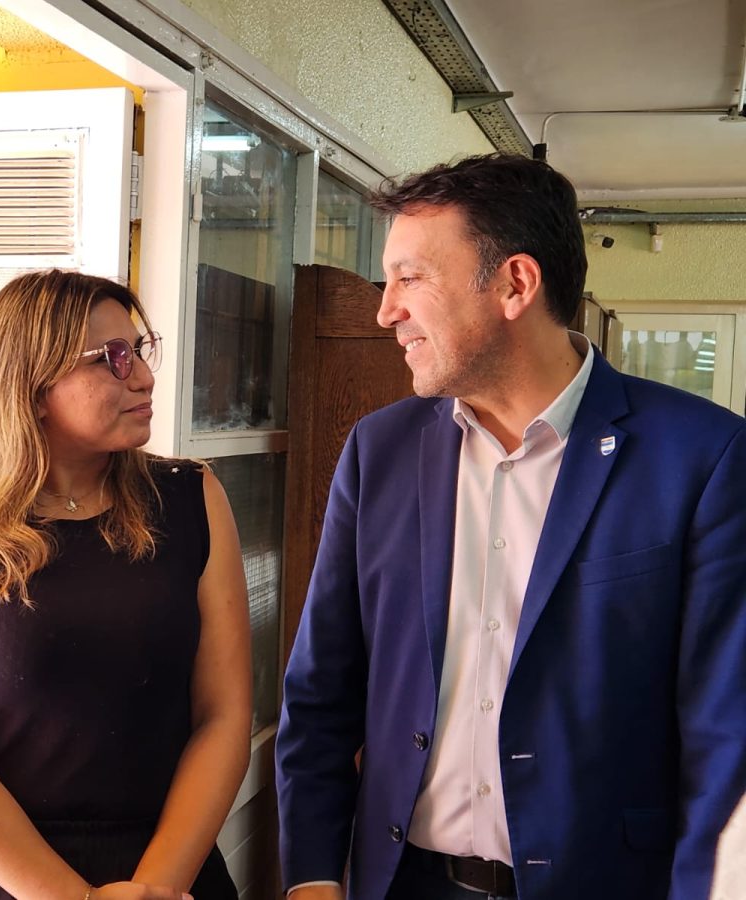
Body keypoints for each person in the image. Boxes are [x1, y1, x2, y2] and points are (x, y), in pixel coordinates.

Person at [275, 153, 746, 900]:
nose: (385, 310)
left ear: (515, 285)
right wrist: (309, 876)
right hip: (403, 883)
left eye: (411, 278)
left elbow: (725, 734)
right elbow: (321, 689)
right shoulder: (379, 450)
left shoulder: (703, 457)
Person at [0, 269, 252, 900]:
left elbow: (223, 717)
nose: (144, 376)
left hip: (172, 876)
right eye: (113, 357)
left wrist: (154, 887)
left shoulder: (193, 497)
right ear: (31, 385)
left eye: (140, 350)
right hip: (4, 875)